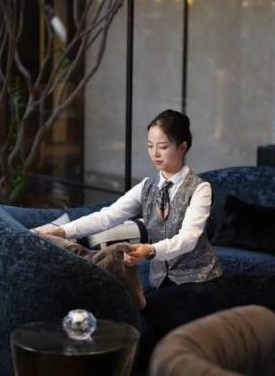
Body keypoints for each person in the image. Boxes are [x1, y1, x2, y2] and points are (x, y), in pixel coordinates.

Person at [37, 109, 224, 364]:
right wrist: (62, 231)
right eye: (150, 146)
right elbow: (107, 216)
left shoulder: (200, 189)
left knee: (140, 317)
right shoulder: (147, 187)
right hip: (160, 282)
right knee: (130, 314)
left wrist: (150, 250)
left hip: (198, 283)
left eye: (163, 147)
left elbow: (189, 238)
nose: (155, 153)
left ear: (182, 147)